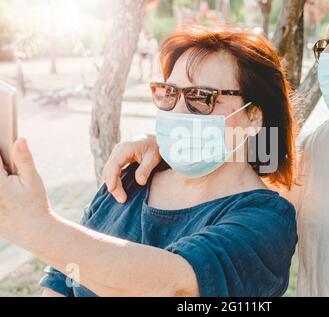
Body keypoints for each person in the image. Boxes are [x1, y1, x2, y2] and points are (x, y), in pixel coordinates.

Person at [102, 0, 329, 296]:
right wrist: (165, 144)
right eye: (325, 44)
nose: (327, 57)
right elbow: (251, 156)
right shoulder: (323, 148)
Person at [0, 28, 298, 297]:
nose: (178, 112)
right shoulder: (131, 178)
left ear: (254, 117)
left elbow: (173, 287)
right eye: (169, 93)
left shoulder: (266, 220)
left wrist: (37, 226)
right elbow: (63, 278)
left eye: (201, 97)